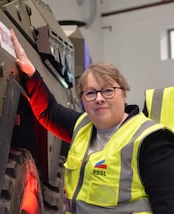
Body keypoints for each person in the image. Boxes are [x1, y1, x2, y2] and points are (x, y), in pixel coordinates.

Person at [10, 29, 174, 214]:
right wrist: (31, 72)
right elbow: (49, 112)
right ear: (83, 100)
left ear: (124, 94)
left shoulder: (150, 141)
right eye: (90, 93)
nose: (99, 98)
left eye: (107, 90)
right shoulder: (83, 127)